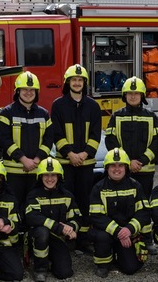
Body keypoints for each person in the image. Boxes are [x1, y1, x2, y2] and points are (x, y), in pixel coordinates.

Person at [104, 76, 158, 254]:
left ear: (142, 96)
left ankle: (146, 237)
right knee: (123, 203)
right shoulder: (117, 116)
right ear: (124, 95)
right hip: (124, 170)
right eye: (130, 93)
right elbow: (110, 141)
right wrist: (128, 163)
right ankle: (123, 235)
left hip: (145, 170)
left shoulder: (152, 117)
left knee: (143, 204)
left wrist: (142, 160)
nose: (133, 96)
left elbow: (157, 142)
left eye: (137, 93)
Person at [50, 64, 102, 252]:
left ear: (84, 83)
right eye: (74, 80)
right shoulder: (58, 105)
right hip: (65, 164)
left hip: (86, 164)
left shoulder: (93, 106)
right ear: (68, 82)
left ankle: (84, 240)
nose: (77, 83)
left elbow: (96, 135)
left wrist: (84, 154)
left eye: (80, 80)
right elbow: (56, 133)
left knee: (85, 201)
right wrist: (70, 154)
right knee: (65, 201)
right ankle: (66, 238)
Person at [88, 148, 150, 277]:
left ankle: (118, 255)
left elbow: (143, 212)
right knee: (101, 236)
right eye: (113, 166)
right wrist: (118, 232)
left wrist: (129, 229)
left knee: (130, 268)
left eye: (120, 165)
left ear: (126, 167)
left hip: (127, 233)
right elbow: (96, 216)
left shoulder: (135, 186)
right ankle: (103, 264)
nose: (117, 169)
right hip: (108, 232)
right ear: (106, 168)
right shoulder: (98, 188)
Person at [0, 71, 53, 209]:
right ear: (17, 91)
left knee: (34, 206)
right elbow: (4, 139)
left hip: (36, 170)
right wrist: (23, 159)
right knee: (14, 206)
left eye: (31, 90)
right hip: (13, 172)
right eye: (24, 89)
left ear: (36, 92)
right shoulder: (7, 112)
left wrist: (37, 159)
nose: (28, 93)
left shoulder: (44, 114)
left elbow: (48, 139)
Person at [24, 158, 81, 282]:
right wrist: (59, 227)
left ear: (59, 176)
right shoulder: (33, 195)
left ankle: (50, 261)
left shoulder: (67, 195)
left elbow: (77, 218)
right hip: (37, 237)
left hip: (57, 238)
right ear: (40, 176)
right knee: (42, 232)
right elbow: (32, 217)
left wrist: (71, 227)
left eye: (53, 175)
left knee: (64, 273)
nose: (50, 179)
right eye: (46, 175)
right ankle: (40, 269)